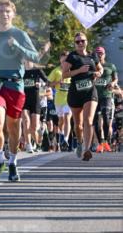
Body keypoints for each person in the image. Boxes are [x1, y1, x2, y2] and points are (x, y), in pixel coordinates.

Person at [0, 0, 38, 182]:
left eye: (8, 11)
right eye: (1, 11)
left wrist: (18, 46)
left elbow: (34, 56)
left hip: (15, 83)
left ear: (13, 14)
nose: (4, 14)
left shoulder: (20, 34)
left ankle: (13, 162)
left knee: (13, 127)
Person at [61, 32, 102, 161]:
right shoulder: (71, 57)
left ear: (86, 42)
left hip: (90, 91)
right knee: (78, 124)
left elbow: (100, 68)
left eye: (82, 41)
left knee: (88, 121)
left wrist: (98, 73)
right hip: (75, 93)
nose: (80, 43)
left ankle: (87, 149)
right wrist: (79, 71)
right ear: (74, 43)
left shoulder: (92, 55)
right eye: (77, 41)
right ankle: (79, 142)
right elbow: (64, 75)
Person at [92, 44, 118, 153]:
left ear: (104, 54)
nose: (99, 55)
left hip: (106, 95)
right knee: (96, 122)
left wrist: (112, 83)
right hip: (94, 96)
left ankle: (106, 141)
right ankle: (100, 142)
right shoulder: (91, 66)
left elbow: (115, 79)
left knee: (106, 119)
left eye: (101, 53)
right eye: (97, 53)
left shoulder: (110, 66)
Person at [48, 54, 73, 150]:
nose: (64, 63)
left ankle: (65, 139)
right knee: (61, 121)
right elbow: (49, 84)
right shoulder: (56, 71)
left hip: (69, 100)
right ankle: (62, 134)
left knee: (67, 117)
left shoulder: (72, 71)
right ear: (60, 61)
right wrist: (58, 82)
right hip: (58, 100)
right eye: (63, 61)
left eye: (66, 61)